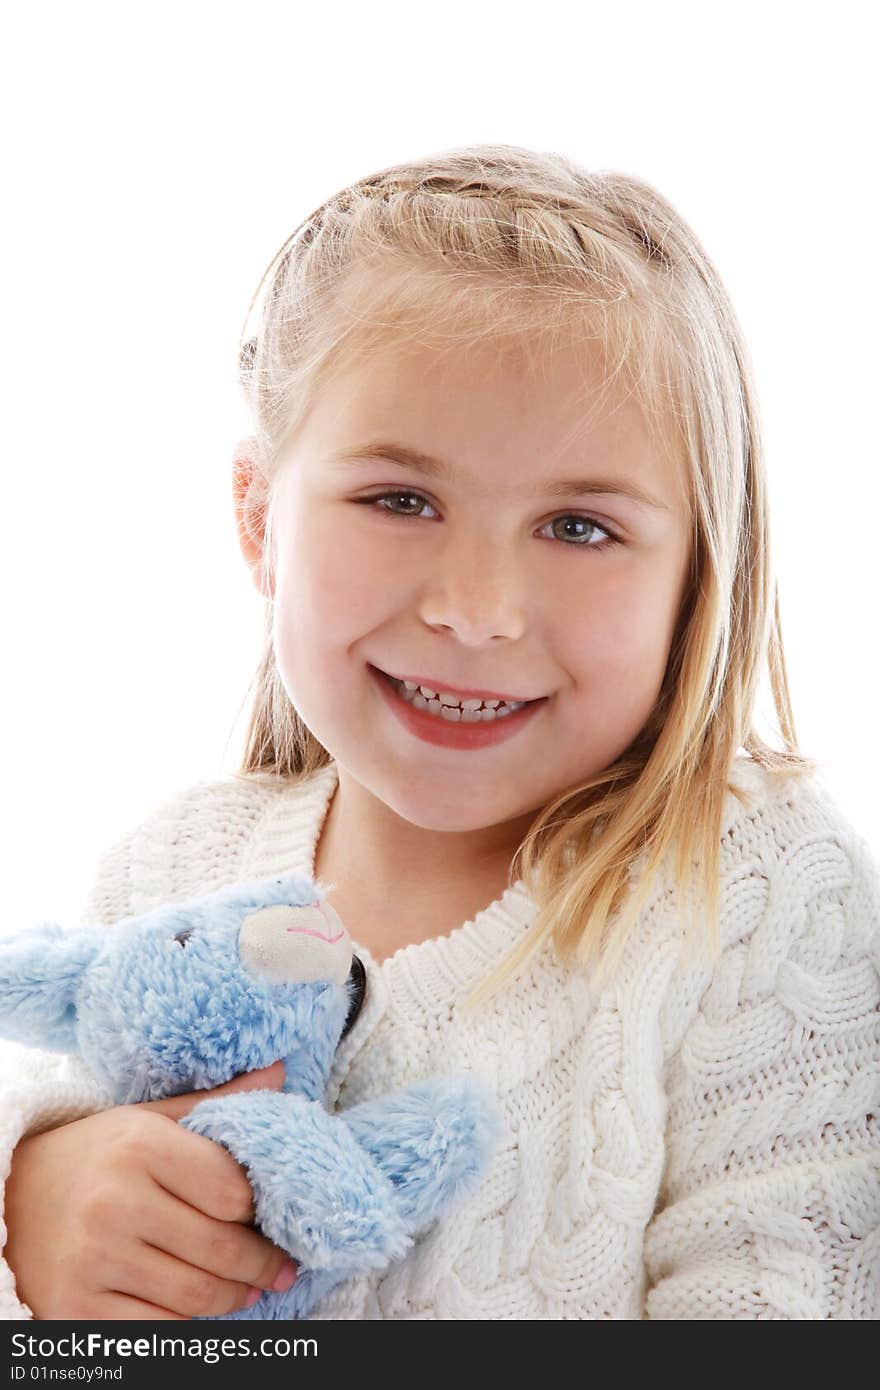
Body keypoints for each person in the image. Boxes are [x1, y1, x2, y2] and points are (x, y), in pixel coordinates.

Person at [2, 143, 878, 1321]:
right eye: (399, 500)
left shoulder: (746, 886)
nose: (475, 609)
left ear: (693, 575)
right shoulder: (165, 875)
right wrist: (34, 1205)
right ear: (259, 517)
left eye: (577, 526)